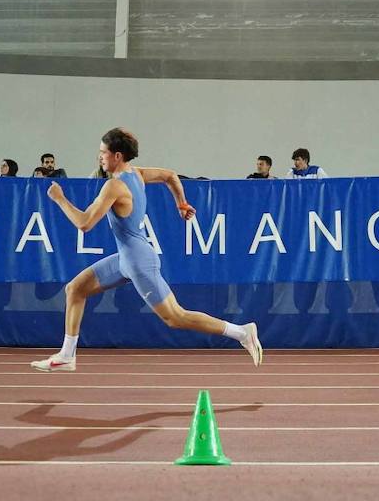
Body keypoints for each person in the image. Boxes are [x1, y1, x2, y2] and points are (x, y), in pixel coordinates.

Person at [34, 127, 264, 371]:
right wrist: (181, 204)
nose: (99, 157)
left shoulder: (114, 187)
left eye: (103, 152)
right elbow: (170, 176)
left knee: (176, 318)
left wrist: (59, 197)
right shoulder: (137, 174)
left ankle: (242, 332)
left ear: (117, 156)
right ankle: (67, 355)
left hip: (139, 262)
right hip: (125, 258)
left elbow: (84, 223)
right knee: (75, 289)